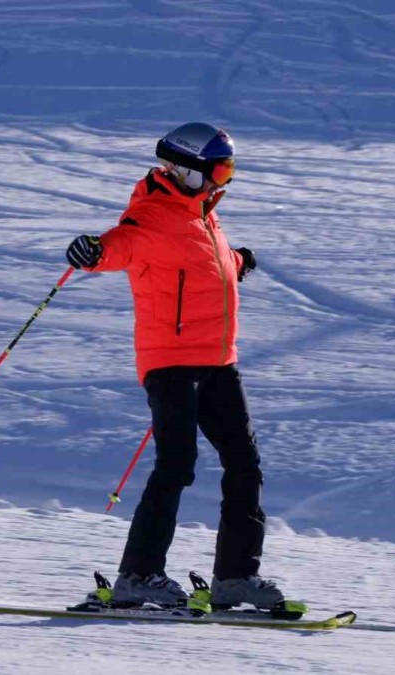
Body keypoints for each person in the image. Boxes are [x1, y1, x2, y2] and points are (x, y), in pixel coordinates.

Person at [65, 122, 285, 611]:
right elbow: (119, 247)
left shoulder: (204, 216)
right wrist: (93, 252)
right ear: (187, 170)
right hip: (172, 363)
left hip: (218, 362)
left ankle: (235, 578)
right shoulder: (151, 217)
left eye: (229, 170)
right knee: (176, 465)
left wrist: (237, 261)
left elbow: (201, 260)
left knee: (245, 467)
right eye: (220, 170)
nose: (224, 180)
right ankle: (138, 576)